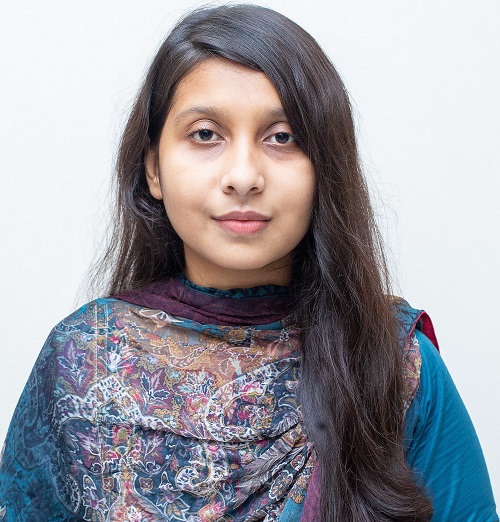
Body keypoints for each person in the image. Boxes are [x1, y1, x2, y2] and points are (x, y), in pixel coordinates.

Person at [0, 4, 497, 521]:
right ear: (154, 169)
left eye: (282, 137)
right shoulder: (82, 362)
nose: (243, 176)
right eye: (205, 134)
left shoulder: (393, 366)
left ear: (325, 167)